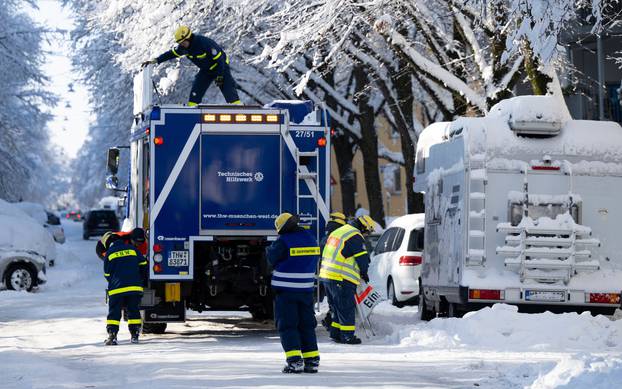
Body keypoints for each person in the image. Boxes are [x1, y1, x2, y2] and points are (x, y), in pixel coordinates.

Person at [266, 212, 321, 374]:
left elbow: (271, 258)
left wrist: (268, 249)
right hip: (306, 290)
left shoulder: (283, 241)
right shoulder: (311, 238)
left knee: (288, 325)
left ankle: (295, 361)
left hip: (286, 292)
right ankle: (312, 360)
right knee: (307, 325)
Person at [142, 26, 242, 107]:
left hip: (221, 67)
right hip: (206, 71)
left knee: (228, 90)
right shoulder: (183, 48)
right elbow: (170, 54)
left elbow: (220, 61)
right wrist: (155, 61)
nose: (181, 45)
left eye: (182, 42)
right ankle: (192, 109)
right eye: (179, 43)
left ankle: (238, 108)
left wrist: (220, 76)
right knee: (196, 91)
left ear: (188, 38)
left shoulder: (204, 43)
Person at [319, 214, 375, 344]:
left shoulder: (340, 231)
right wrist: (364, 272)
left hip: (327, 276)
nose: (366, 234)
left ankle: (336, 333)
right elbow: (362, 258)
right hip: (341, 277)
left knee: (336, 307)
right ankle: (347, 336)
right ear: (363, 227)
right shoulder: (354, 235)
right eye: (367, 231)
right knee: (346, 307)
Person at [102, 232, 148, 345]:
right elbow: (143, 264)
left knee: (114, 312)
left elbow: (107, 274)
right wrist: (140, 280)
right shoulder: (132, 249)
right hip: (134, 287)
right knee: (133, 310)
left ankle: (112, 335)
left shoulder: (109, 253)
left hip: (116, 289)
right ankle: (134, 335)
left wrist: (115, 282)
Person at [318, 212, 347, 331]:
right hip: (336, 275)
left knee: (333, 302)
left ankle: (331, 323)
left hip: (325, 273)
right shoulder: (337, 237)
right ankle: (332, 324)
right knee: (337, 302)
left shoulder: (326, 238)